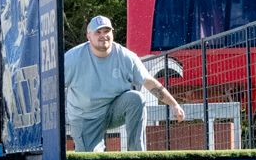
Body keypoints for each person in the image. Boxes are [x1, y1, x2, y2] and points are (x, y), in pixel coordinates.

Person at [65, 15, 184, 152]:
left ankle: (136, 155)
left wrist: (174, 105)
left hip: (113, 110)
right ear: (89, 36)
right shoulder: (72, 59)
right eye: (98, 32)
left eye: (106, 31)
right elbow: (54, 86)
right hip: (85, 117)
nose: (103, 36)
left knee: (136, 99)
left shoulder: (126, 57)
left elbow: (149, 82)